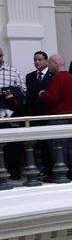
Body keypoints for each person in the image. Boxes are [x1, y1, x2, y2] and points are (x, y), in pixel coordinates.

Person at [38, 54, 72, 178]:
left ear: (55, 64)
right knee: (71, 147)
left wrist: (42, 94)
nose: (48, 66)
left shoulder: (56, 78)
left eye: (49, 63)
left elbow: (53, 97)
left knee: (58, 147)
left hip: (57, 117)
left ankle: (61, 173)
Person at [1, 47, 27, 178]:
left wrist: (11, 94)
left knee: (12, 145)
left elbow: (23, 90)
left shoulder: (13, 71)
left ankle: (14, 172)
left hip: (10, 113)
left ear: (2, 56)